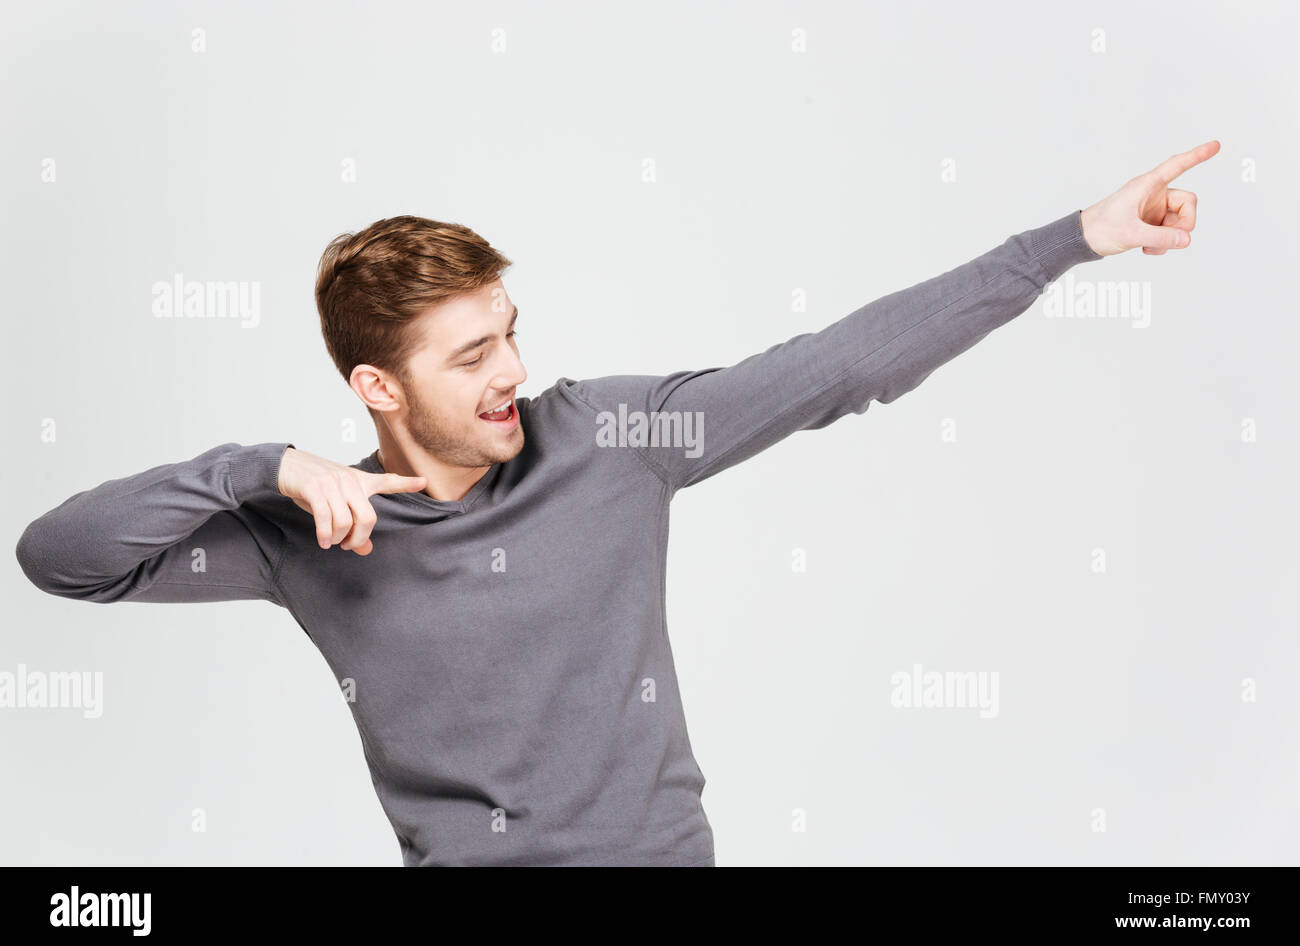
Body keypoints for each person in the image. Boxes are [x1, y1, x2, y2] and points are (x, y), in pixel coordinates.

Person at [14, 141, 1219, 866]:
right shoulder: (317, 529)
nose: (513, 373)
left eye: (511, 334)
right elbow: (60, 557)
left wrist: (1073, 239)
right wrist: (256, 465)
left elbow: (839, 368)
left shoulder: (611, 438)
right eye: (471, 354)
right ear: (375, 385)